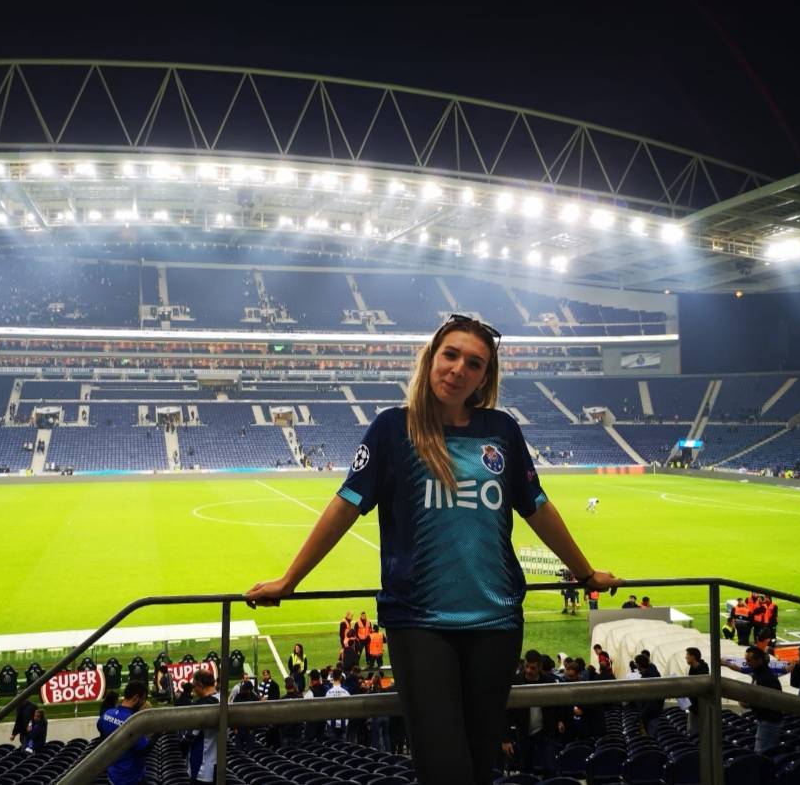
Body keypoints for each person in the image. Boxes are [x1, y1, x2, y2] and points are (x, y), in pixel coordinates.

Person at [246, 313, 620, 785]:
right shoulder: (391, 430)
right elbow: (345, 505)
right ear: (431, 357)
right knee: (444, 765)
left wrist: (584, 574)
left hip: (497, 620)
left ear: (485, 377)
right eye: (451, 355)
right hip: (419, 622)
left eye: (474, 363)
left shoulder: (502, 431)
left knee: (480, 763)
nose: (458, 368)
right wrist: (289, 579)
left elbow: (537, 506)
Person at [723, 646, 782, 753]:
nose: (747, 663)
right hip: (767, 721)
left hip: (768, 722)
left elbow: (760, 701)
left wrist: (745, 701)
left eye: (749, 660)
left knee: (762, 753)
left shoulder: (764, 678)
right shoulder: (761, 672)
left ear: (759, 660)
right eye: (746, 660)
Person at [98, 681, 154, 785]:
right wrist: (157, 734)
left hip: (113, 775)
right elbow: (144, 749)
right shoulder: (132, 723)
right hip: (131, 778)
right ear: (136, 698)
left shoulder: (107, 714)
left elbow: (100, 727)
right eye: (143, 699)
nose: (144, 703)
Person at [187, 669, 220, 784]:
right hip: (219, 763)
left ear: (200, 685)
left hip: (202, 766)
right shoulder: (224, 699)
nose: (193, 689)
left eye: (194, 685)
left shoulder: (201, 705)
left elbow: (188, 738)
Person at [684, 647, 709, 736]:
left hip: (700, 707)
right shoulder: (691, 668)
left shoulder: (703, 669)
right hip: (693, 707)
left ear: (693, 657)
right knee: (691, 731)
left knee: (697, 733)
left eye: (687, 655)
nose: (685, 657)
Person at [324, 669, 350, 740]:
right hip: (343, 723)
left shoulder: (328, 692)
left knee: (333, 746)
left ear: (332, 677)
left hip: (331, 723)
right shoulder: (346, 691)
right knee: (343, 747)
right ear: (340, 677)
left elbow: (325, 708)